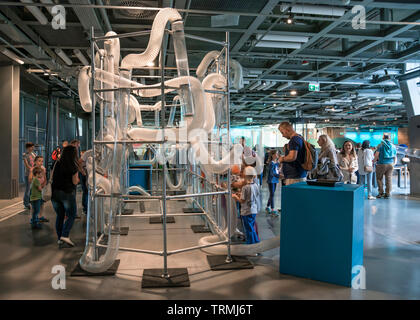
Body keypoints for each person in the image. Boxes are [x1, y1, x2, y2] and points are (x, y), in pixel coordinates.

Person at [51, 145, 80, 247]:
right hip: (67, 193)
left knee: (60, 215)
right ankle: (65, 235)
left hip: (55, 193)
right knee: (71, 214)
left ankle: (60, 239)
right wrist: (78, 180)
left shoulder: (57, 163)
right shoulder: (73, 166)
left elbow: (52, 176)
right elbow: (75, 181)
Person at [232, 166, 260, 245]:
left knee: (249, 229)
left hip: (246, 211)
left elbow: (242, 201)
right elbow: (255, 195)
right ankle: (256, 243)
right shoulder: (255, 185)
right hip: (254, 210)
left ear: (244, 176)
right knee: (252, 228)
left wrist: (235, 197)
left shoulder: (245, 187)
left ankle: (251, 245)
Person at [374, 134, 397, 199]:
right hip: (391, 164)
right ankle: (388, 193)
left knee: (379, 178)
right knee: (389, 179)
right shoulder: (393, 146)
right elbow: (395, 156)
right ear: (389, 138)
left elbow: (376, 155)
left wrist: (374, 161)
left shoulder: (380, 145)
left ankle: (381, 193)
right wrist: (394, 163)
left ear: (383, 138)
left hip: (381, 164)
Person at [28, 156, 49, 222]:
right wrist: (36, 184)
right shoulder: (33, 169)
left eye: (42, 161)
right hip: (34, 189)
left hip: (41, 188)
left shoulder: (43, 168)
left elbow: (45, 178)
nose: (41, 162)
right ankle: (34, 217)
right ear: (35, 162)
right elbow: (30, 179)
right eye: (39, 161)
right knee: (34, 204)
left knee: (41, 203)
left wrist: (43, 185)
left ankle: (40, 216)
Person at [265, 150, 281, 217]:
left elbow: (277, 171)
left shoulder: (276, 163)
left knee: (272, 194)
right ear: (272, 155)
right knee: (272, 194)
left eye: (277, 154)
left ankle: (267, 206)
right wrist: (279, 176)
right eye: (276, 154)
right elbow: (272, 173)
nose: (277, 155)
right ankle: (272, 209)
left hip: (275, 180)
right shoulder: (271, 163)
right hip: (271, 180)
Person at [23, 142, 36, 210]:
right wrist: (31, 169)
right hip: (28, 174)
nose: (33, 148)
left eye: (33, 146)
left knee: (32, 188)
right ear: (28, 147)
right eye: (32, 147)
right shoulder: (25, 155)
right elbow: (26, 164)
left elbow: (36, 162)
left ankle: (30, 201)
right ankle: (26, 203)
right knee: (28, 189)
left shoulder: (34, 154)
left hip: (34, 174)